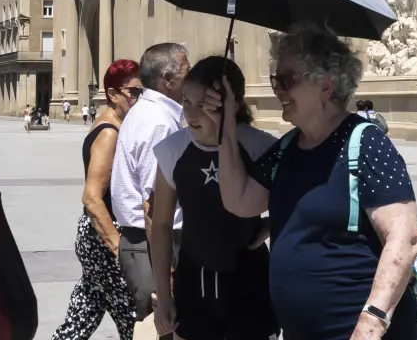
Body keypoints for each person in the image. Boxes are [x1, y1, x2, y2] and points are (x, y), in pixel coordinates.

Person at [216, 23, 417, 340]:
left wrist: (371, 324)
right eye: (275, 80)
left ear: (326, 86)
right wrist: (226, 123)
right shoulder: (286, 149)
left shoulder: (364, 142)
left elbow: (405, 237)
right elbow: (240, 202)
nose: (278, 90)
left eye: (286, 80)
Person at [151, 56, 278, 340]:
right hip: (194, 282)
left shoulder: (261, 147)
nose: (191, 114)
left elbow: (296, 207)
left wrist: (271, 226)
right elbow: (160, 224)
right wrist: (163, 292)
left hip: (250, 284)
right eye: (186, 102)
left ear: (232, 105)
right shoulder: (172, 150)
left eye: (204, 106)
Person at [52, 59, 143, 340]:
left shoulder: (112, 125)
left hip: (94, 239)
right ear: (113, 94)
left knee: (84, 313)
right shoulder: (109, 134)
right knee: (134, 318)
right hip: (104, 240)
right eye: (135, 92)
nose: (140, 99)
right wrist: (119, 248)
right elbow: (92, 197)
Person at [111, 41, 189, 322]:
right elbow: (153, 206)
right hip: (155, 244)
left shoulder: (148, 112)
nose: (191, 77)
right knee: (165, 327)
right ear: (167, 80)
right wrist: (164, 273)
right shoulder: (159, 122)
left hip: (146, 242)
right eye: (186, 70)